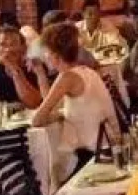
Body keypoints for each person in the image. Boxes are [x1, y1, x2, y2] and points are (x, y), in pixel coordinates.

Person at [32, 22, 118, 164]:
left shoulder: (67, 78)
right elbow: (54, 106)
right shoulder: (87, 71)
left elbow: (37, 120)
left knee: (54, 164)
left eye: (46, 52)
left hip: (95, 155)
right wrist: (40, 74)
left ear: (55, 55)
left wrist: (41, 74)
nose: (44, 56)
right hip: (109, 144)